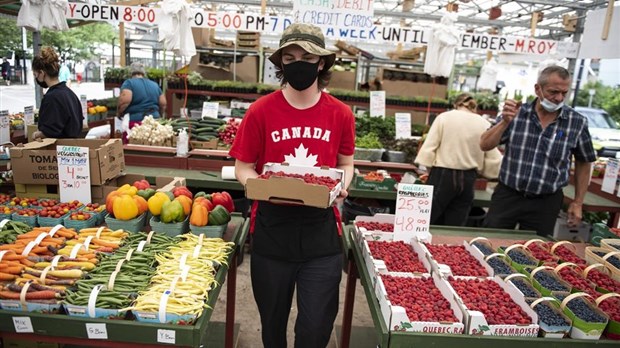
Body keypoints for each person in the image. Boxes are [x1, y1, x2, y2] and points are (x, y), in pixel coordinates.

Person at [228, 23, 355, 348]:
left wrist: (342, 184)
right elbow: (242, 167)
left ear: (321, 63)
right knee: (272, 325)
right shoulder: (261, 111)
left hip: (320, 235)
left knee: (315, 329)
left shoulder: (340, 114)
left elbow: (345, 162)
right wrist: (258, 186)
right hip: (272, 231)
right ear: (281, 63)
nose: (298, 62)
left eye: (307, 56)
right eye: (290, 56)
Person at [480, 65, 596, 236]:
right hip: (508, 195)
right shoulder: (517, 114)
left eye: (564, 93)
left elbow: (584, 161)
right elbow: (485, 144)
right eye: (553, 92)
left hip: (546, 202)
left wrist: (578, 202)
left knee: (536, 251)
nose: (558, 98)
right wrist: (505, 122)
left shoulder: (576, 122)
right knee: (490, 242)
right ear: (537, 89)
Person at [415, 93, 502, 226]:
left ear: (456, 104)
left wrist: (429, 170)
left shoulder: (444, 118)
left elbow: (429, 148)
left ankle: (419, 244)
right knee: (456, 223)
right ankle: (449, 245)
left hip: (443, 175)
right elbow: (493, 156)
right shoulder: (483, 123)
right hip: (468, 179)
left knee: (426, 220)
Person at [31, 47, 83, 139]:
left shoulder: (52, 98)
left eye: (35, 75)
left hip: (59, 151)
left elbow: (50, 132)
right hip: (73, 149)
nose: (36, 78)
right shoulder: (70, 94)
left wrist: (35, 135)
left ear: (42, 73)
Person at [117, 62, 166, 126]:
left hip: (136, 122)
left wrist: (119, 112)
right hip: (154, 120)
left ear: (131, 72)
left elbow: (125, 101)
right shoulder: (155, 85)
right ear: (144, 72)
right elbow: (163, 104)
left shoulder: (129, 83)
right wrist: (159, 114)